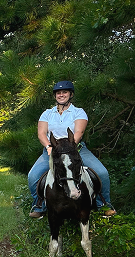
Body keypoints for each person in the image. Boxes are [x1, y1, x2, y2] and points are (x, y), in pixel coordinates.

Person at [27, 80, 116, 219]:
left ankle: (104, 204)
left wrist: (68, 149)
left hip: (76, 149)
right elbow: (41, 134)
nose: (61, 95)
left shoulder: (78, 112)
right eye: (58, 93)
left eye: (64, 92)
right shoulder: (47, 113)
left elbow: (78, 133)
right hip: (52, 150)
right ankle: (39, 205)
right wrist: (49, 147)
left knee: (101, 172)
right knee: (33, 175)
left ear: (70, 94)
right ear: (55, 95)